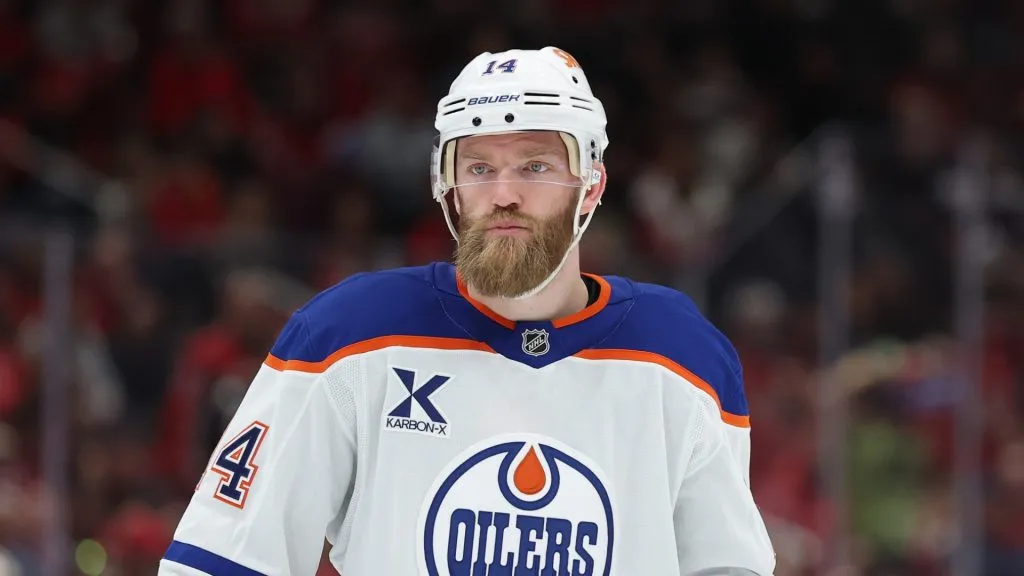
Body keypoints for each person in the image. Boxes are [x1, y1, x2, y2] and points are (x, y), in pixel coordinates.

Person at [159, 47, 776, 576]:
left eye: (535, 166)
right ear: (446, 183)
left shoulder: (683, 357)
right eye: (478, 166)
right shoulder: (349, 334)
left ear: (591, 184)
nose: (502, 193)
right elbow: (219, 558)